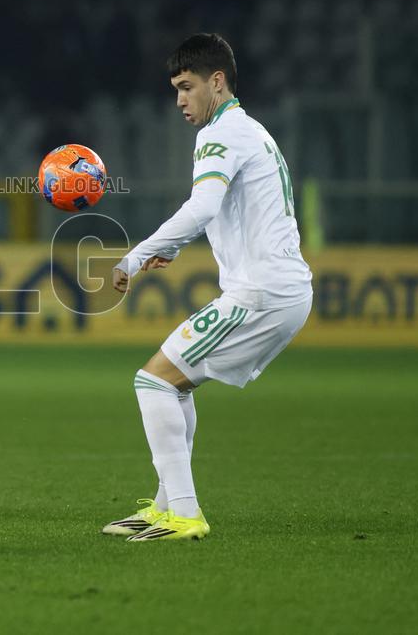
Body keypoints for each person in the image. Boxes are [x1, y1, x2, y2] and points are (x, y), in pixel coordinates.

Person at [102, 33, 312, 541]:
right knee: (174, 382)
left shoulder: (221, 133)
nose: (179, 100)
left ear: (217, 81)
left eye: (186, 87)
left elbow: (203, 206)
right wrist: (172, 248)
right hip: (277, 289)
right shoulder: (250, 130)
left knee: (152, 381)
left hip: (261, 293)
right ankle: (165, 506)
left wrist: (134, 255)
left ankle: (185, 513)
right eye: (175, 89)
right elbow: (231, 209)